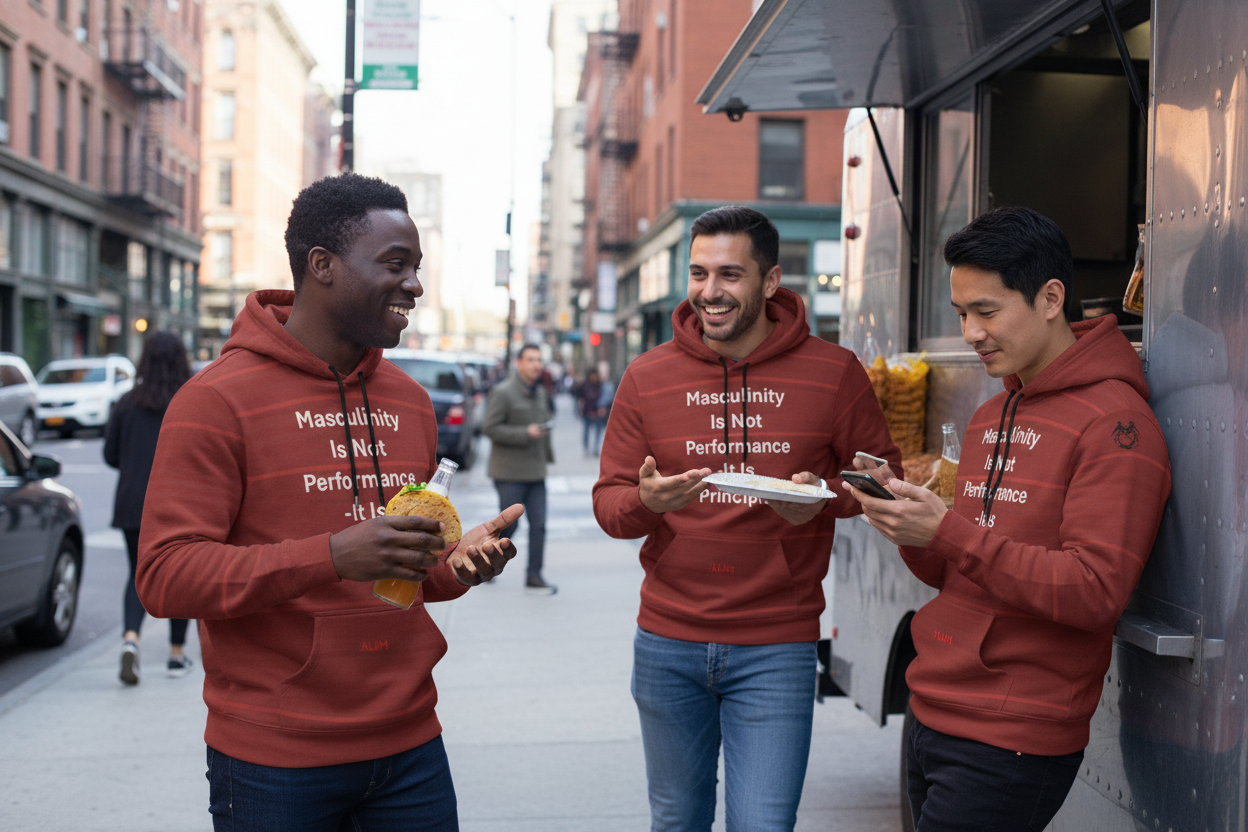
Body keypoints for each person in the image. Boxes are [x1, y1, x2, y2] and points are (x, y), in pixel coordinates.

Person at [136, 172, 524, 832]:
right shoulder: (215, 401)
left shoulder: (410, 401)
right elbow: (164, 578)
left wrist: (456, 563)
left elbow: (406, 573)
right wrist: (333, 556)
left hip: (410, 747)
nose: (415, 285)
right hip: (273, 760)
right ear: (322, 266)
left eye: (418, 267)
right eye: (395, 264)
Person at [842, 206, 1171, 832]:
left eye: (986, 312)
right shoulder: (991, 415)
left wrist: (947, 531)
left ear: (1051, 298)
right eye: (962, 313)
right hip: (933, 706)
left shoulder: (1117, 425)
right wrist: (907, 523)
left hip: (1014, 732)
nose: (970, 333)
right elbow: (957, 571)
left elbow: (1095, 590)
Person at [592, 205, 900, 830]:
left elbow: (882, 482)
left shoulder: (834, 372)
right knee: (677, 820)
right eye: (699, 273)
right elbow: (610, 505)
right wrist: (648, 503)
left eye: (730, 274)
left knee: (763, 823)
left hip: (776, 646)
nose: (711, 292)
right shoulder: (646, 377)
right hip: (668, 642)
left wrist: (822, 497)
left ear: (770, 281)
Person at [104, 331, 194, 685]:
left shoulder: (126, 403)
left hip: (132, 503)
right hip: (178, 504)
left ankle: (131, 640)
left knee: (137, 574)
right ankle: (175, 654)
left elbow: (110, 454)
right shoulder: (189, 400)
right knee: (182, 575)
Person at [482, 344, 557, 594]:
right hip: (509, 473)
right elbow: (490, 428)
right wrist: (525, 434)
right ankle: (486, 564)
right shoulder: (503, 392)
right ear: (519, 363)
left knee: (539, 525)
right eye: (531, 359)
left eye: (539, 359)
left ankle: (533, 575)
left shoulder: (541, 392)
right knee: (508, 527)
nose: (537, 364)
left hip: (536, 472)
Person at [575, 368, 605, 457]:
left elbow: (603, 398)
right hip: (586, 411)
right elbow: (580, 398)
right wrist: (580, 409)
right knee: (586, 430)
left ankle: (596, 448)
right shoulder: (584, 385)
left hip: (597, 411)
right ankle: (586, 448)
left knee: (598, 431)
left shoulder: (600, 385)